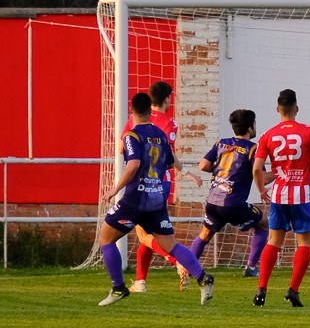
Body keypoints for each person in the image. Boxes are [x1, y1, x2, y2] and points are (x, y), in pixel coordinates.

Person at [97, 92, 213, 306]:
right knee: (170, 244)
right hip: (157, 198)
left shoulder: (132, 136)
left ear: (132, 111)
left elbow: (132, 164)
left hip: (134, 199)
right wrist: (187, 173)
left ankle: (118, 288)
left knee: (106, 238)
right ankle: (203, 277)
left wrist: (115, 189)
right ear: (151, 111)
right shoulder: (160, 135)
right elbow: (171, 161)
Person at [252, 89, 310, 307]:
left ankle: (262, 289)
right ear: (296, 109)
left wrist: (261, 189)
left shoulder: (268, 136)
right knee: (304, 243)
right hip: (302, 197)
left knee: (274, 241)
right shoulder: (308, 133)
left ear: (278, 109)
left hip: (279, 196)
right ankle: (293, 290)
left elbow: (257, 169)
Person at [127, 80, 203, 293]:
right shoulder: (171, 123)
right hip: (163, 183)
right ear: (167, 99)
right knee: (151, 234)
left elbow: (126, 147)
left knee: (144, 235)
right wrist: (188, 174)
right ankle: (140, 281)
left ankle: (177, 260)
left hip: (141, 183)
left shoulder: (134, 121)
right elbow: (169, 155)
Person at [187, 109, 272, 278]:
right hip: (233, 204)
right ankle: (251, 267)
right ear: (249, 128)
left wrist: (221, 174)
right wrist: (282, 169)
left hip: (212, 201)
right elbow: (263, 179)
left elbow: (203, 165)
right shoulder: (253, 149)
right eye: (254, 124)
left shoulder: (221, 143)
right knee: (263, 224)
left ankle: (187, 269)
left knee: (205, 235)